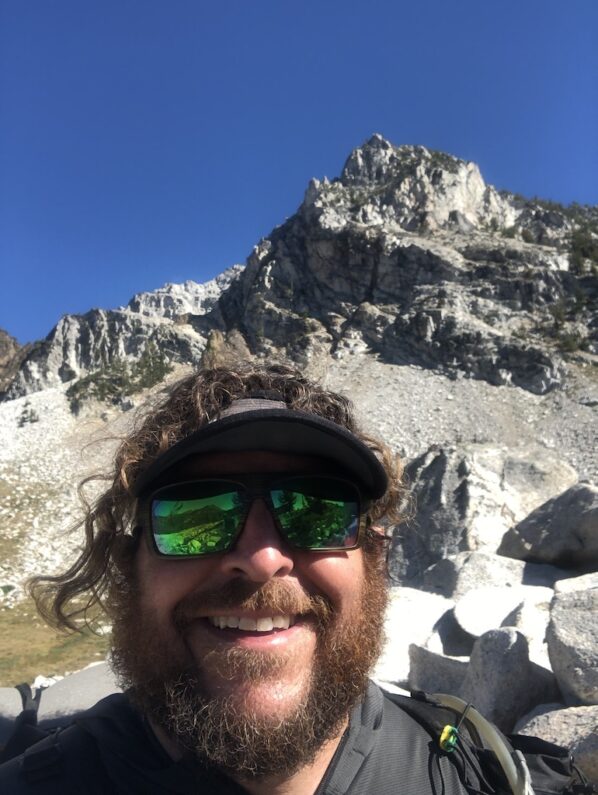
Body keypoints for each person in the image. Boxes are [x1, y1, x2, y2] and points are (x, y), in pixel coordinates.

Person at [0, 364, 536, 793]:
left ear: (376, 562)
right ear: (128, 569)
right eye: (194, 517)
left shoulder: (475, 771)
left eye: (317, 512)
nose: (262, 559)